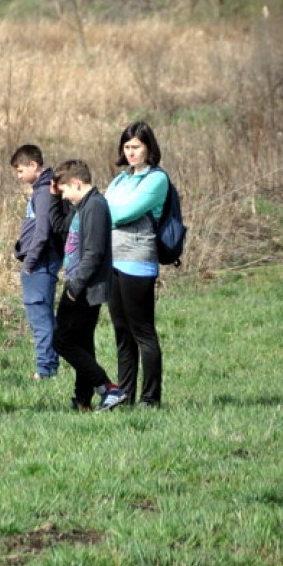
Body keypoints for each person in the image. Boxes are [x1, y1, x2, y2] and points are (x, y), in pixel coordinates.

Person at [48, 159, 126, 412]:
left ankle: (107, 388)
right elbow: (60, 228)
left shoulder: (95, 206)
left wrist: (75, 286)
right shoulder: (81, 206)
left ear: (77, 183)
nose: (64, 196)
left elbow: (93, 252)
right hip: (77, 282)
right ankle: (83, 401)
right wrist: (53, 198)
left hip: (83, 286)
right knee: (82, 343)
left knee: (62, 341)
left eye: (64, 190)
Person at [105, 121, 168, 407]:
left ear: (148, 148)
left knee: (143, 332)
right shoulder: (120, 180)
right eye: (127, 147)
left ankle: (150, 397)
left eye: (136, 147)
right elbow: (102, 210)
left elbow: (120, 213)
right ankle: (124, 395)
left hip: (138, 263)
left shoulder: (156, 179)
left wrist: (106, 212)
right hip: (113, 262)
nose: (131, 152)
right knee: (122, 333)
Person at [12, 144, 63, 381]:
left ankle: (46, 369)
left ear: (34, 165)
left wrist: (29, 263)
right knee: (42, 316)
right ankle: (49, 366)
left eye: (21, 170)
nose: (19, 176)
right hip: (41, 261)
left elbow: (42, 231)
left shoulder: (43, 192)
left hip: (41, 263)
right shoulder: (43, 189)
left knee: (40, 316)